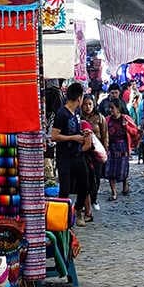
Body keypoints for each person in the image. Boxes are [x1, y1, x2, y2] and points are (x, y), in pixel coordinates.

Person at [51, 81, 93, 222]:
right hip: (65, 158)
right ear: (79, 98)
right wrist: (74, 137)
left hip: (77, 154)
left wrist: (82, 134)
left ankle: (77, 211)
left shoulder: (76, 114)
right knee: (65, 189)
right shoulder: (61, 114)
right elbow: (54, 136)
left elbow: (74, 131)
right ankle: (61, 220)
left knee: (85, 185)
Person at [103, 97, 138, 200]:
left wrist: (126, 126)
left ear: (118, 108)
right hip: (111, 147)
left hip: (123, 147)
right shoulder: (107, 120)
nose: (110, 110)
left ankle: (125, 185)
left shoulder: (125, 118)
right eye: (110, 108)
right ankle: (113, 193)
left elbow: (135, 131)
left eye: (112, 108)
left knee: (123, 169)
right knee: (110, 170)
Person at [83, 99, 108, 211]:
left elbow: (105, 135)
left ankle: (94, 199)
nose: (87, 107)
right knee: (84, 177)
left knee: (96, 177)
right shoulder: (79, 117)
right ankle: (85, 201)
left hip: (96, 152)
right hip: (84, 152)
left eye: (90, 104)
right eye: (85, 104)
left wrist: (105, 150)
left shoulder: (100, 118)